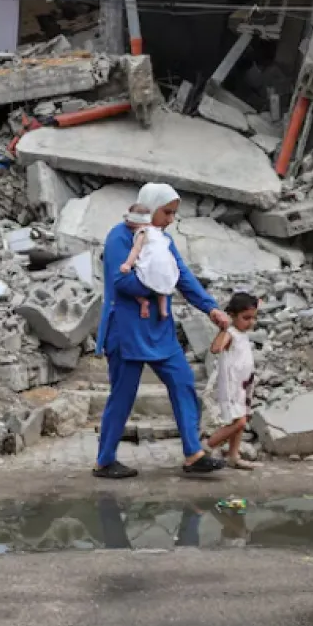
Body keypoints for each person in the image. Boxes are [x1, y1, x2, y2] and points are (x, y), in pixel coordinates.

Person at [94, 182, 231, 480]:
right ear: (151, 208)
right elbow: (122, 281)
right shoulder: (119, 237)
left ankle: (193, 453)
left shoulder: (162, 240)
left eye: (173, 213)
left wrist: (210, 308)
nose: (171, 219)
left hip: (159, 329)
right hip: (126, 329)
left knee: (183, 382)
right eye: (166, 212)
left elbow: (183, 276)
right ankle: (105, 461)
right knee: (122, 396)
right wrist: (161, 282)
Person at [206, 291, 260, 469]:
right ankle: (205, 447)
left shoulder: (241, 333)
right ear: (232, 315)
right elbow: (215, 348)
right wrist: (224, 328)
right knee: (239, 422)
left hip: (243, 385)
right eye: (246, 318)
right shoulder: (230, 333)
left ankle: (233, 456)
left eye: (253, 318)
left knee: (240, 421)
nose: (251, 322)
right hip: (232, 387)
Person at [119, 202, 177, 320]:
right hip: (167, 266)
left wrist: (128, 264)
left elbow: (136, 249)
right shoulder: (157, 231)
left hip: (152, 265)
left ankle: (142, 301)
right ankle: (163, 310)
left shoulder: (142, 232)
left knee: (136, 280)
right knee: (162, 288)